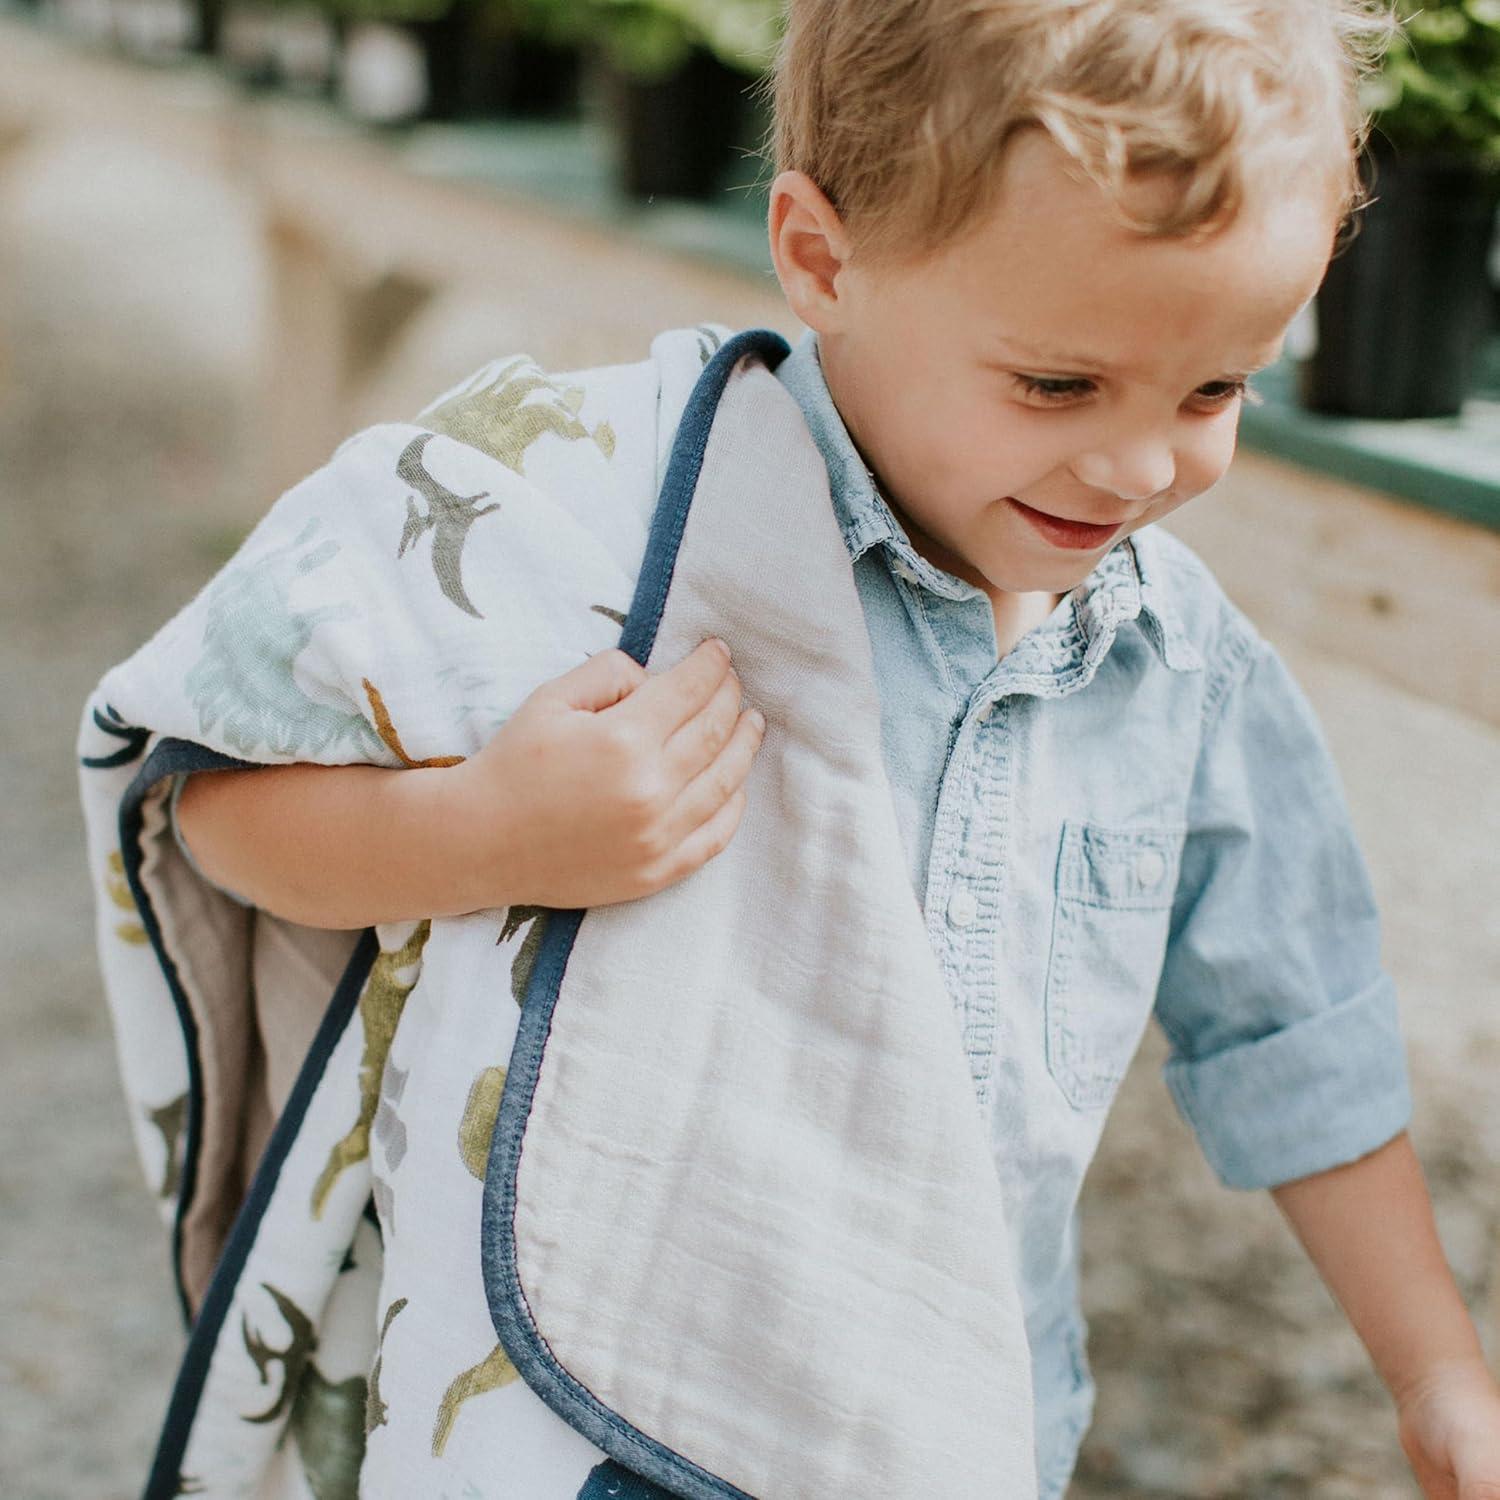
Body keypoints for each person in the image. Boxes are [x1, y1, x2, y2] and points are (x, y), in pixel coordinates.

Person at [87, 0, 1500, 1496]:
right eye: (1057, 386)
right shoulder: (577, 513)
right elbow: (213, 804)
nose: (1143, 466)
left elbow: (1299, 1020)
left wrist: (1435, 1374)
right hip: (582, 1417)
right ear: (823, 258)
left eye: (1217, 390)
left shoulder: (1174, 658)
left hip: (945, 1419)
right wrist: (486, 832)